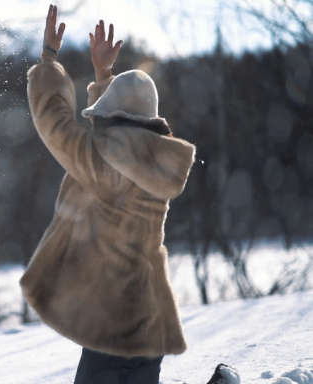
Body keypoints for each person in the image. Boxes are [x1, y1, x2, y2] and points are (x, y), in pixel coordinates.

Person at [19, 5, 239, 384]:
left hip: (113, 324)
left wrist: (48, 60)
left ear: (111, 118)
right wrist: (105, 77)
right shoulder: (156, 160)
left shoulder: (101, 163)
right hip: (149, 319)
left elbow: (53, 122)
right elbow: (124, 138)